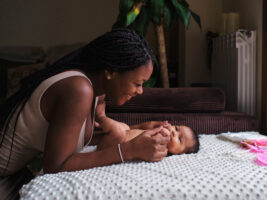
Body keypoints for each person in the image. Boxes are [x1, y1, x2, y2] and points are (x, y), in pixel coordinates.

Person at [0, 28, 170, 199]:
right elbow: (56, 166)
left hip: (16, 174)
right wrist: (131, 150)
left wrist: (140, 129)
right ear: (111, 72)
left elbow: (71, 140)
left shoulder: (96, 91)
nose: (140, 91)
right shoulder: (79, 89)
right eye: (138, 83)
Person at [94, 101, 200, 155]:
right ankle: (100, 128)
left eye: (179, 139)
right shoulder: (157, 130)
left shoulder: (161, 150)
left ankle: (100, 117)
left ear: (179, 154)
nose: (174, 133)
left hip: (113, 148)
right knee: (124, 127)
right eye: (176, 129)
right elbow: (136, 129)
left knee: (118, 131)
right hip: (116, 138)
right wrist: (151, 125)